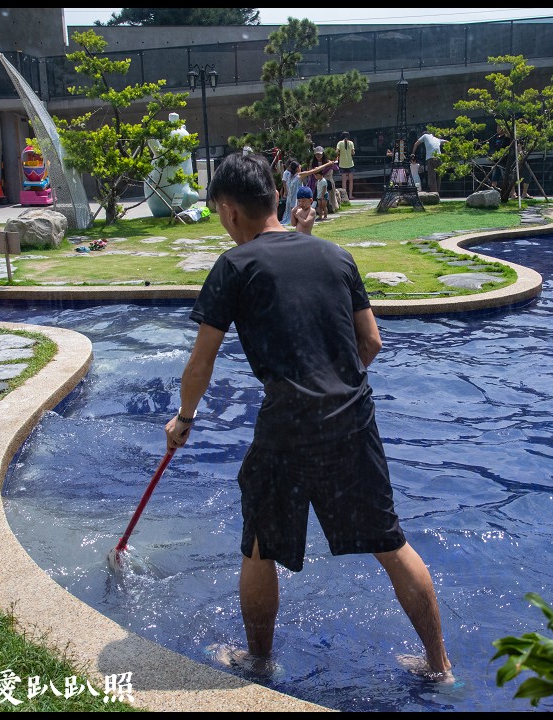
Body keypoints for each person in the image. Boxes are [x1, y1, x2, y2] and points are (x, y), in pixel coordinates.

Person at [165, 152, 453, 680]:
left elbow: (201, 360)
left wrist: (184, 418)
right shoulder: (336, 255)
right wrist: (335, 387)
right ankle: (440, 666)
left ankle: (259, 661)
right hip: (353, 417)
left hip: (287, 427)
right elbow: (372, 342)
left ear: (229, 211)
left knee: (259, 547)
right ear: (276, 198)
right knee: (390, 543)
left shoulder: (234, 266)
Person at [412, 131, 448, 195]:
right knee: (438, 176)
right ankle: (438, 192)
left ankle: (434, 193)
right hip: (439, 158)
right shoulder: (437, 139)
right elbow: (447, 142)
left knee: (432, 177)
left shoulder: (425, 136)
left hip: (430, 158)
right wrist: (446, 153)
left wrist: (413, 153)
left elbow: (416, 144)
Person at [280, 159, 302, 226]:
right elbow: (284, 182)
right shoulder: (292, 175)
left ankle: (294, 219)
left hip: (293, 193)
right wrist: (285, 191)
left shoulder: (291, 175)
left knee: (293, 206)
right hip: (293, 193)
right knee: (293, 206)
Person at [336, 131, 355, 201]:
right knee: (351, 181)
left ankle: (345, 196)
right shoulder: (351, 143)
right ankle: (350, 195)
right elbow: (353, 153)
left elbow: (337, 151)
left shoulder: (339, 143)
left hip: (342, 164)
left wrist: (339, 154)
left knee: (344, 181)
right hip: (350, 163)